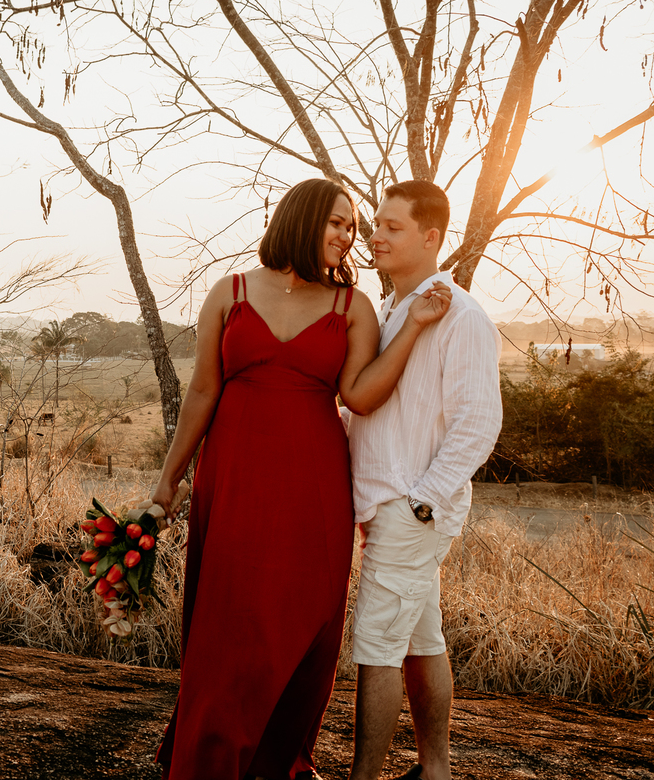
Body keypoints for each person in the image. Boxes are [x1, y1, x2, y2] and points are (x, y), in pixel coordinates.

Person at [151, 177, 451, 780]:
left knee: (297, 630)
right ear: (301, 219)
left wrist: (414, 326)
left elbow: (360, 396)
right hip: (233, 482)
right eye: (337, 223)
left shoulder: (353, 307)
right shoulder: (229, 293)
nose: (349, 236)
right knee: (228, 627)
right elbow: (203, 391)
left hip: (312, 490)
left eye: (353, 227)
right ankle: (208, 757)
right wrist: (166, 485)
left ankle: (275, 759)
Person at [345, 180, 502, 780]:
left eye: (392, 227)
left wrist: (423, 503)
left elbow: (479, 422)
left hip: (411, 508)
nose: (375, 236)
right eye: (375, 225)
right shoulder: (391, 310)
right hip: (390, 504)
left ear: (431, 237)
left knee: (376, 647)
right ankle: (434, 770)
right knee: (420, 640)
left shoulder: (459, 315)